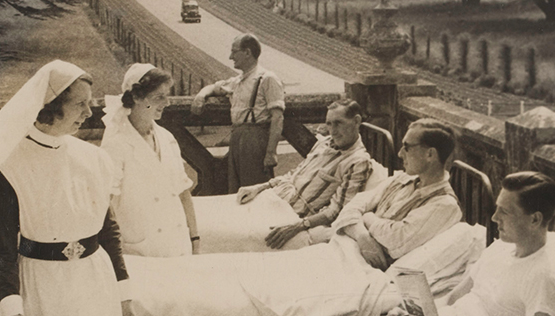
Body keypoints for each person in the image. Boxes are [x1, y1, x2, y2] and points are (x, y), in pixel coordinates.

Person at [0, 60, 130, 316]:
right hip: (42, 286)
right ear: (51, 105)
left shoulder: (95, 158)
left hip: (96, 284)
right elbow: (1, 246)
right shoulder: (10, 166)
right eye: (80, 104)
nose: (89, 113)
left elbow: (109, 232)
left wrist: (124, 295)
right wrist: (12, 308)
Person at [383, 172, 555, 316]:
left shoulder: (543, 275)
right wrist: (410, 315)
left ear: (535, 219)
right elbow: (452, 299)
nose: (495, 217)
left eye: (505, 211)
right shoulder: (500, 248)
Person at [234, 98, 374, 249]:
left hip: (289, 215)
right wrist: (259, 187)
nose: (332, 131)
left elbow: (337, 211)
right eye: (329, 123)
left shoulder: (358, 161)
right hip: (272, 198)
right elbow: (294, 174)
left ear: (356, 121)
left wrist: (298, 226)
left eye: (338, 123)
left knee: (226, 232)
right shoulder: (324, 143)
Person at [331, 118, 461, 270]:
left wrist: (367, 217)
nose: (400, 154)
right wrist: (362, 237)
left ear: (430, 154)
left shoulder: (444, 204)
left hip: (367, 270)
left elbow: (396, 240)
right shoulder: (402, 178)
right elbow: (353, 204)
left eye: (407, 147)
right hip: (350, 248)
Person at [101, 64, 198, 257]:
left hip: (178, 244)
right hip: (140, 250)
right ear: (136, 97)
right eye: (158, 97)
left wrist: (195, 239)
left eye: (166, 95)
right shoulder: (115, 142)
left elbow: (183, 192)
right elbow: (106, 204)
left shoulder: (167, 137)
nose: (167, 103)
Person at [191, 34, 285, 192]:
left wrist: (271, 152)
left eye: (234, 52)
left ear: (247, 53)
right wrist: (201, 96)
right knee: (235, 189)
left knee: (256, 191)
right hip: (237, 139)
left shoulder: (267, 79)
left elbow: (277, 117)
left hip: (255, 141)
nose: (230, 56)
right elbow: (214, 87)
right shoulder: (237, 81)